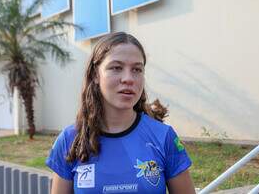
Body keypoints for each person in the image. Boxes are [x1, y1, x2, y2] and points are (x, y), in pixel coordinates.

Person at [46, 32, 196, 194]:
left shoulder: (163, 136)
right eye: (116, 68)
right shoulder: (70, 140)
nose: (128, 79)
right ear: (95, 75)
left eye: (137, 69)